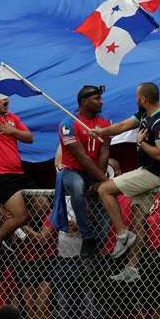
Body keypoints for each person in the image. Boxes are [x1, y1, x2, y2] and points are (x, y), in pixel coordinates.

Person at [91, 82, 160, 282]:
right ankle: (132, 268)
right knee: (138, 218)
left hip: (153, 174)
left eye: (137, 95)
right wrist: (102, 132)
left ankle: (122, 235)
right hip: (145, 171)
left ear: (143, 98)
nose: (136, 98)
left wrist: (141, 143)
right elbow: (120, 126)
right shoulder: (144, 114)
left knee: (104, 189)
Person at [59, 85, 111, 257]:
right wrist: (104, 180)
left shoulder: (105, 123)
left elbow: (104, 152)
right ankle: (87, 235)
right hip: (73, 171)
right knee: (77, 186)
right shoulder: (67, 124)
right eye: (97, 98)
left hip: (95, 172)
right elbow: (82, 158)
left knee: (104, 214)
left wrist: (98, 181)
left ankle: (97, 255)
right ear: (83, 101)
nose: (101, 101)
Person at [0, 94, 34, 270]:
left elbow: (30, 138)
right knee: (21, 216)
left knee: (42, 206)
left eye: (7, 98)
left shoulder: (12, 117)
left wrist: (12, 131)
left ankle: (7, 227)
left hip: (19, 173)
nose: (6, 100)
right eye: (1, 98)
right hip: (0, 175)